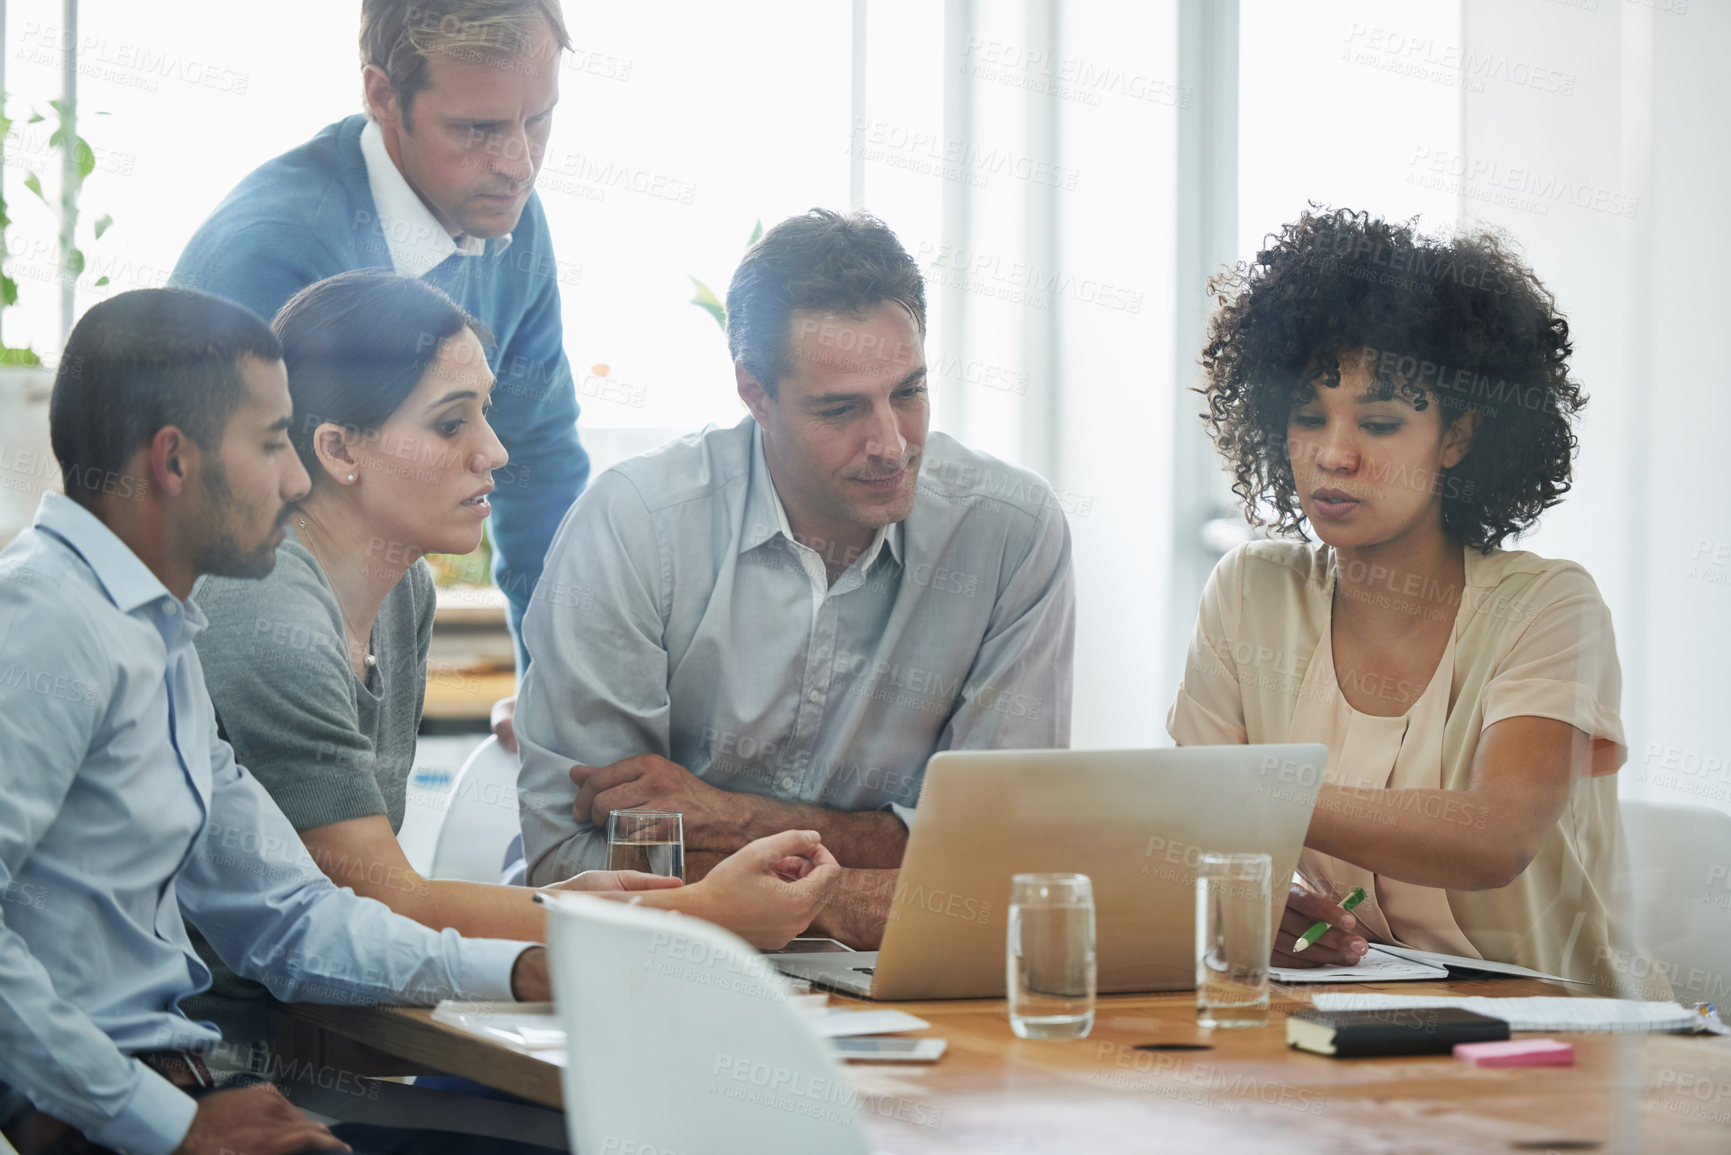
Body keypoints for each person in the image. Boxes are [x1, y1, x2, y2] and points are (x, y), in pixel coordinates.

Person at [184, 269, 839, 1045]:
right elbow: (381, 900)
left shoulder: (403, 591)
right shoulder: (268, 607)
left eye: (484, 413)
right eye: (449, 424)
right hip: (216, 1058)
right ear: (338, 448)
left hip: (332, 1033)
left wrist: (599, 903)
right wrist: (695, 914)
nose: (492, 450)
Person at [0, 287, 574, 1155]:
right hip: (108, 1116)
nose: (298, 477)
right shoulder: (44, 621)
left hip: (183, 1089)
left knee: (564, 1133)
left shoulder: (155, 632)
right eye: (273, 442)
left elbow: (288, 915)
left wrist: (519, 968)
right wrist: (171, 1127)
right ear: (174, 460)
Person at [515, 209, 1077, 947]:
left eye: (907, 392)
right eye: (840, 408)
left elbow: (1005, 855)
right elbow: (572, 862)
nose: (890, 444)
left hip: (900, 978)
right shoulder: (634, 524)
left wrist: (738, 824)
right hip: (659, 966)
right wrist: (882, 875)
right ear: (754, 394)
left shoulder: (1010, 530)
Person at [1168, 206, 1656, 994]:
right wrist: (1266, 906)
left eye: (1381, 422)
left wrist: (1256, 796)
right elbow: (1194, 840)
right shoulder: (1247, 592)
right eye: (1305, 417)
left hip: (1560, 1045)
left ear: (1458, 437)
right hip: (1344, 1028)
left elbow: (1493, 837)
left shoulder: (1549, 606)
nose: (1333, 453)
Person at [171, 0, 585, 746]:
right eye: (477, 129)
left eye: (539, 119)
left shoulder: (510, 219)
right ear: (383, 96)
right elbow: (241, 536)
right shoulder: (273, 255)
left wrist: (559, 691)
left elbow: (541, 462)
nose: (518, 163)